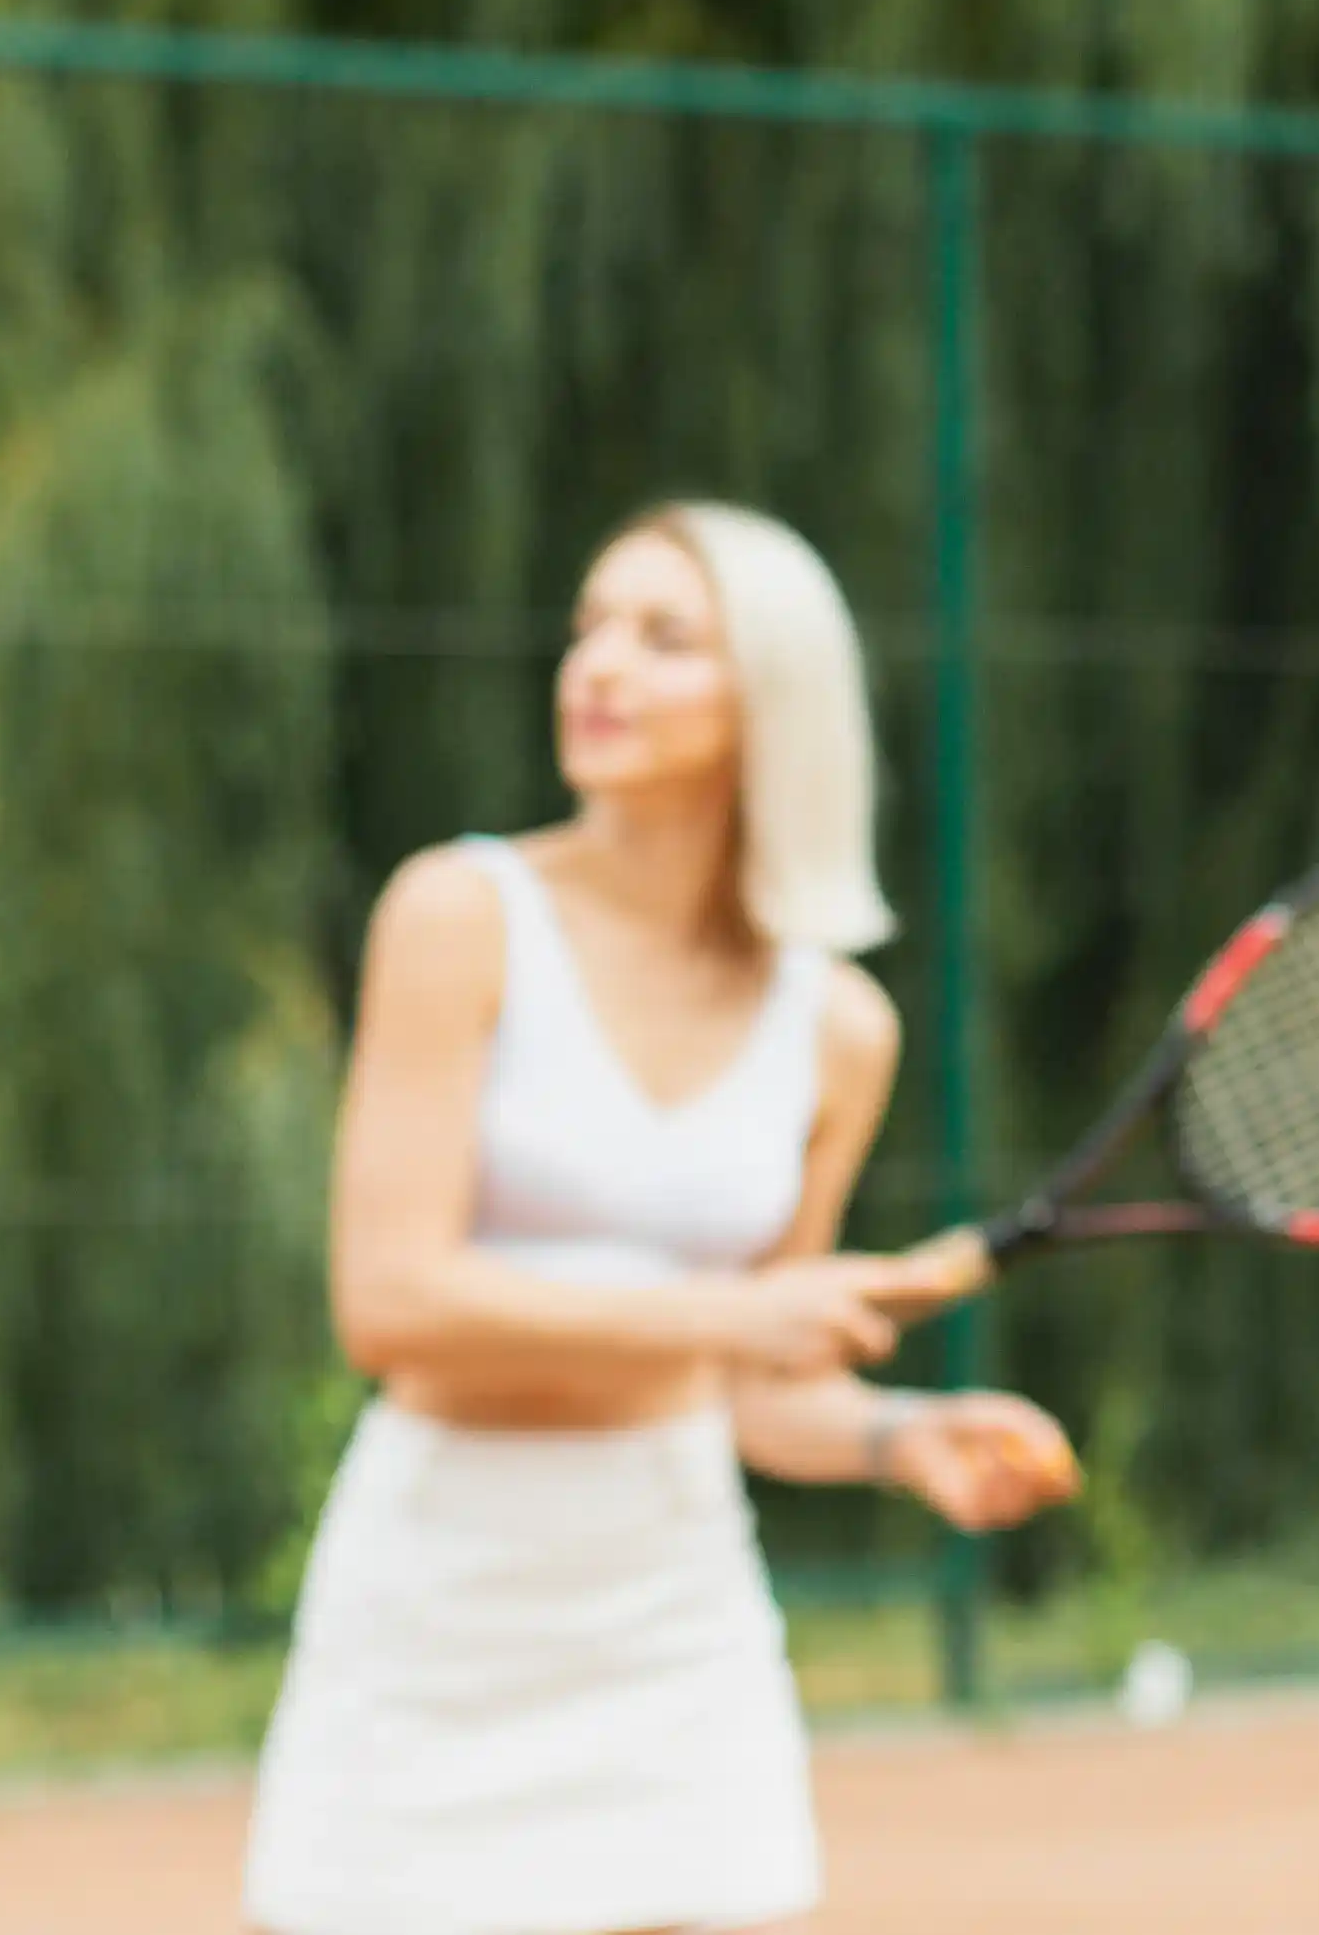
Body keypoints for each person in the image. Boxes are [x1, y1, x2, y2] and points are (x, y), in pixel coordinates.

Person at [246, 500, 1078, 1935]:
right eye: (588, 626)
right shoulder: (456, 914)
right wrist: (727, 1314)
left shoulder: (835, 1027)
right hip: (440, 1581)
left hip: (669, 1584)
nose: (598, 667)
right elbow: (388, 1303)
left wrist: (897, 1436)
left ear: (775, 700)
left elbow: (763, 1385)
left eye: (663, 636)